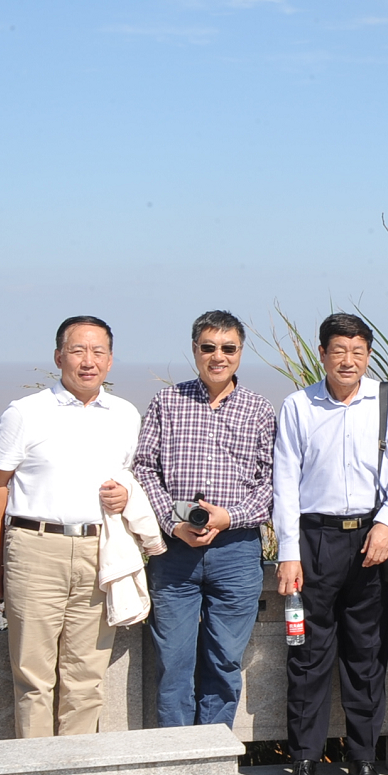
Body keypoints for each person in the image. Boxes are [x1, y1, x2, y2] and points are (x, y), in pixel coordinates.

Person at [273, 312, 388, 775]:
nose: (348, 361)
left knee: (367, 654)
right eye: (339, 351)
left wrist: (387, 524)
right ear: (322, 354)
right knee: (307, 655)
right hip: (314, 541)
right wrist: (288, 552)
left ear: (368, 355)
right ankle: (304, 761)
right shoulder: (299, 405)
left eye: (357, 351)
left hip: (371, 540)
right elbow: (285, 481)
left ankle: (363, 758)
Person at [0, 316, 142, 738]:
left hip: (98, 550)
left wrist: (125, 496)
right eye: (77, 351)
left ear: (110, 360)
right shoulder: (26, 412)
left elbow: (128, 478)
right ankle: (36, 770)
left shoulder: (125, 414)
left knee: (86, 678)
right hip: (35, 548)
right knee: (33, 677)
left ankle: (77, 769)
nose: (88, 361)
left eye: (98, 352)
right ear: (58, 357)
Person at [133, 311, 275, 729]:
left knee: (225, 661)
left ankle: (213, 750)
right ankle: (176, 754)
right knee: (173, 662)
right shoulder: (167, 402)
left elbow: (272, 482)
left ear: (240, 352)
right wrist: (173, 522)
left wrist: (230, 517)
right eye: (209, 347)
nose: (218, 357)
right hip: (175, 551)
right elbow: (144, 468)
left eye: (228, 348)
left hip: (237, 551)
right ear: (195, 350)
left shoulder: (259, 409)